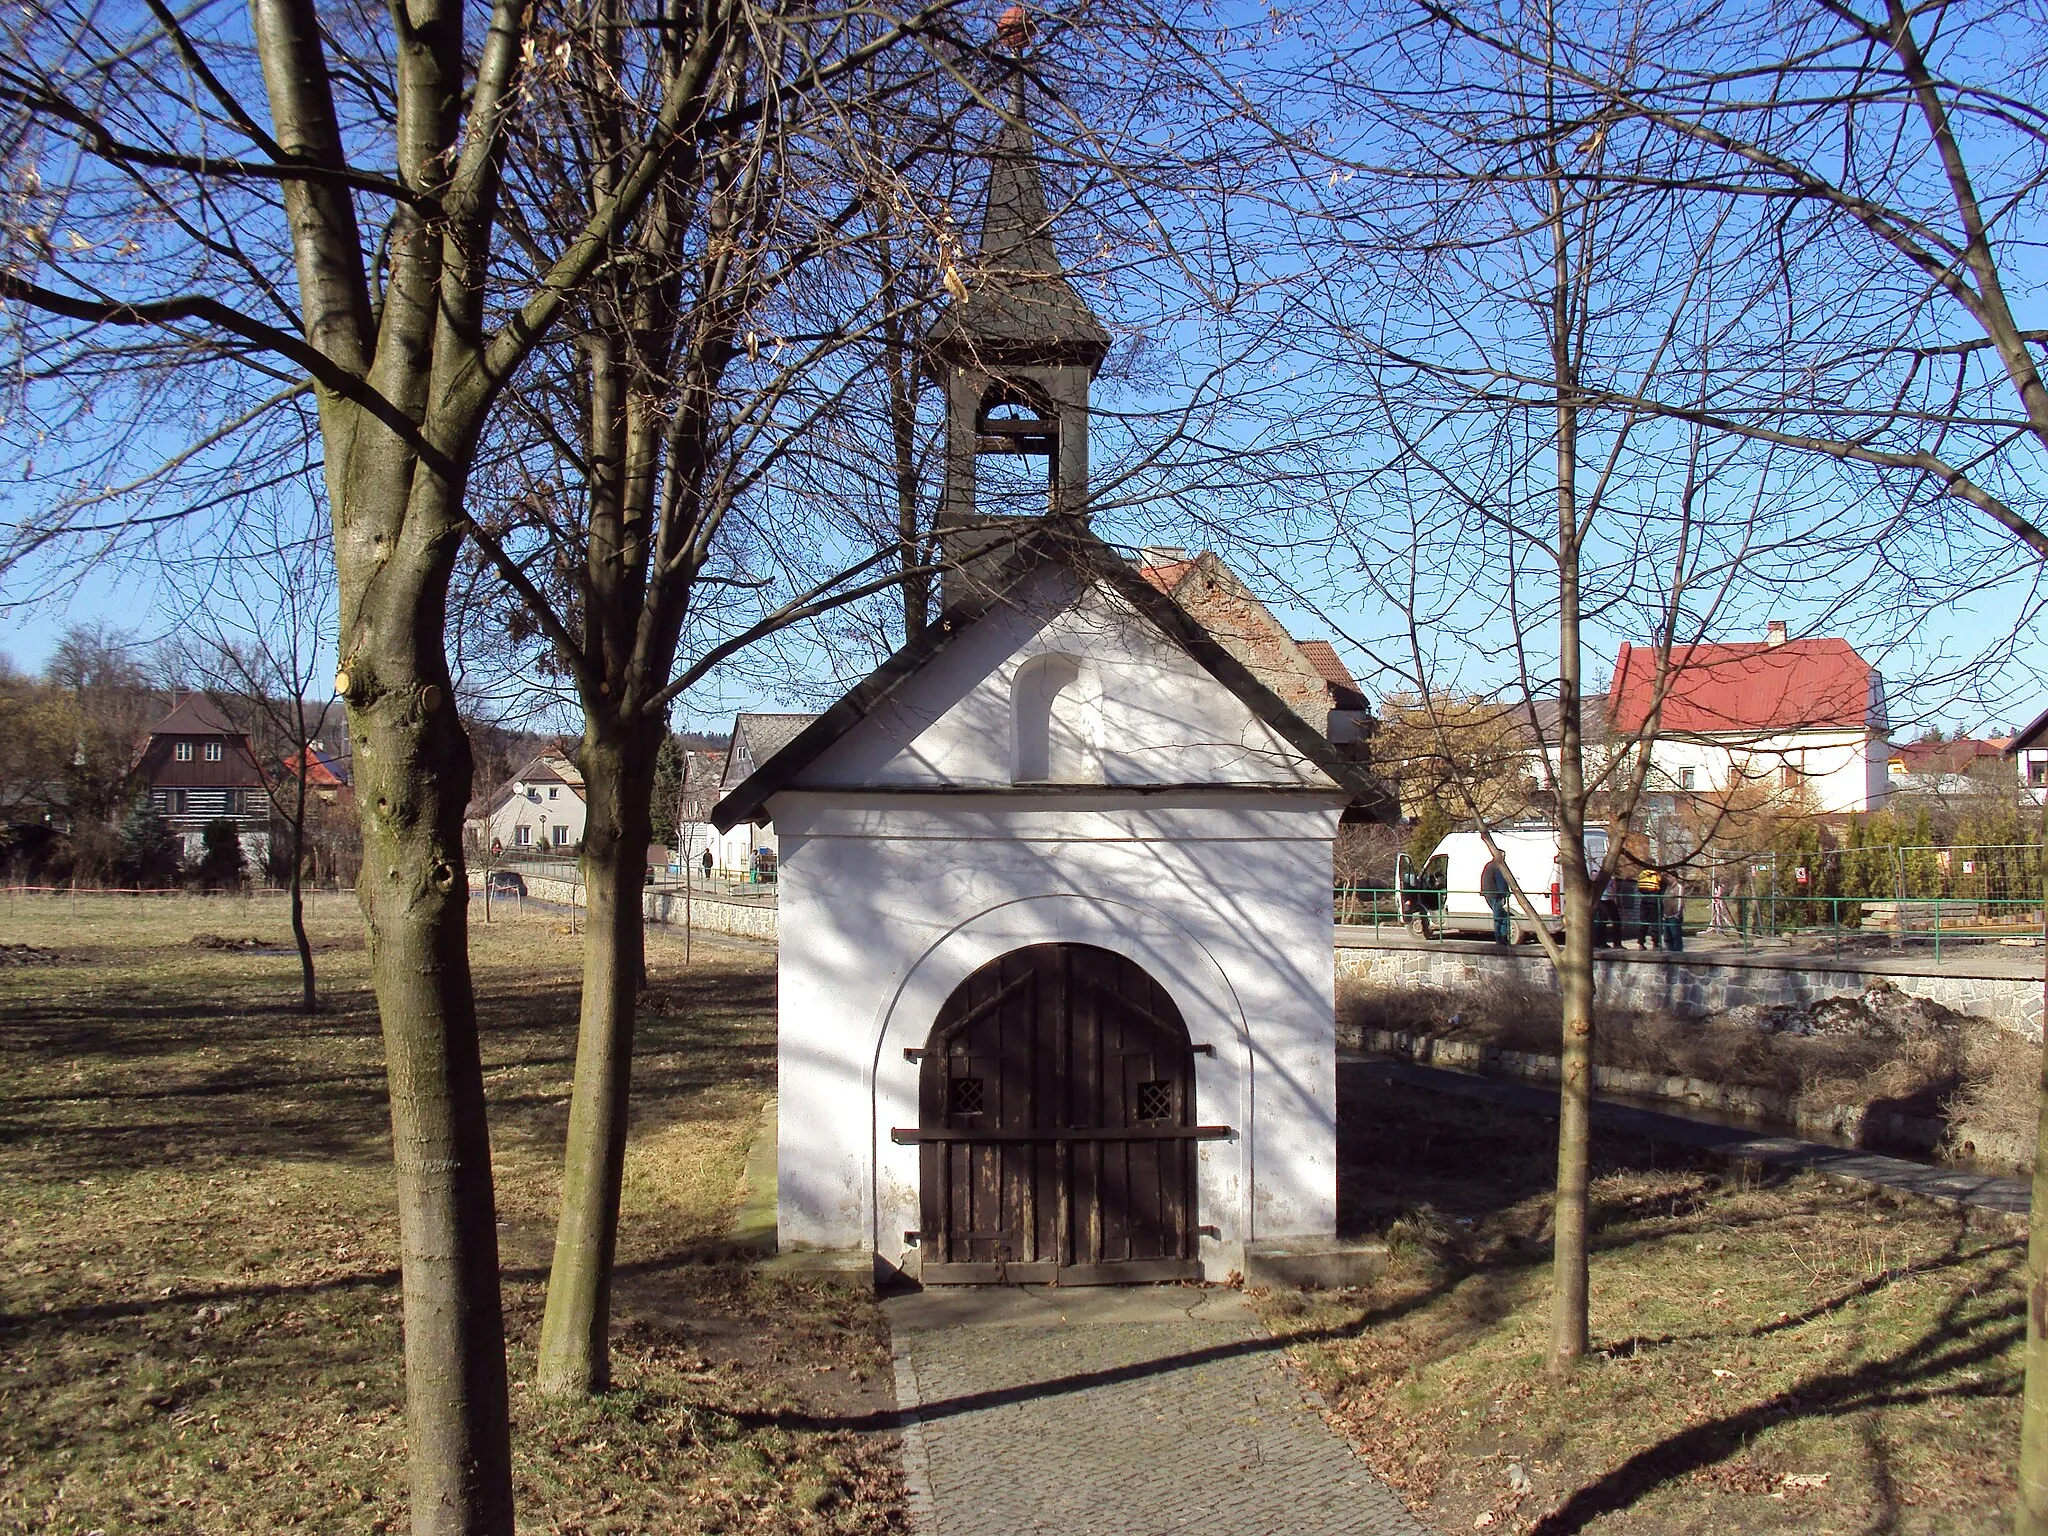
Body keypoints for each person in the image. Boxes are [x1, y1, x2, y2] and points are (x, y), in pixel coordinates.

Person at [1482, 858, 1512, 943]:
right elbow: (1501, 882)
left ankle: (1502, 936)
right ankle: (1500, 937)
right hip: (1495, 895)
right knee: (1499, 916)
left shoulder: (1489, 866)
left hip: (1489, 894)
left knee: (1502, 916)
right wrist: (1504, 895)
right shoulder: (1498, 867)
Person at [1635, 866, 1664, 950]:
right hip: (1654, 900)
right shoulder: (1656, 874)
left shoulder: (1641, 875)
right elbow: (1661, 884)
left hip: (1644, 901)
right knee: (1655, 923)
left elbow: (1639, 887)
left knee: (1643, 923)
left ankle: (1640, 943)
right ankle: (1655, 943)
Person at [1662, 874, 1686, 952]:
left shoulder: (1679, 887)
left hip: (1674, 916)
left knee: (1676, 935)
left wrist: (1677, 914)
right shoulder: (1667, 888)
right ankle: (1670, 952)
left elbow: (1680, 901)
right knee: (1667, 937)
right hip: (1666, 916)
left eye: (1669, 877)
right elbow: (1664, 900)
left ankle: (1678, 953)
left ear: (1674, 877)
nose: (1668, 879)